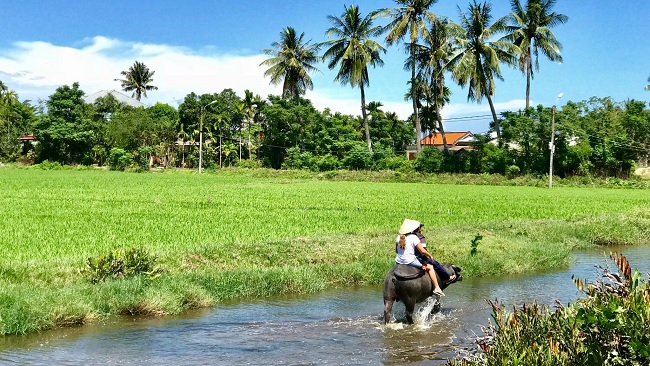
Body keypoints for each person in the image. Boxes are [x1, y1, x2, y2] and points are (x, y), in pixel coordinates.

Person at [395, 219, 445, 296]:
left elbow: (397, 251)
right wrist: (430, 255)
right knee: (430, 267)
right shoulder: (413, 237)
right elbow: (422, 251)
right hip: (410, 261)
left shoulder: (398, 237)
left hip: (398, 261)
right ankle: (437, 287)